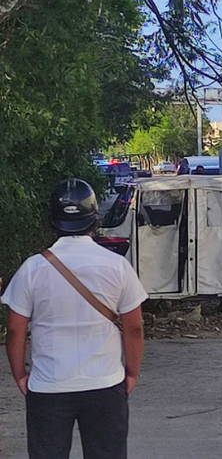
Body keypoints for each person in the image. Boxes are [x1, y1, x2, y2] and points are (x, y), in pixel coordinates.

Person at [1, 179, 147, 459]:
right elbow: (135, 328)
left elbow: (15, 330)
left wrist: (20, 374)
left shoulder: (32, 269)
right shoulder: (117, 266)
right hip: (105, 384)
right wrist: (131, 373)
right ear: (94, 219)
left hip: (48, 387)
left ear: (52, 222)